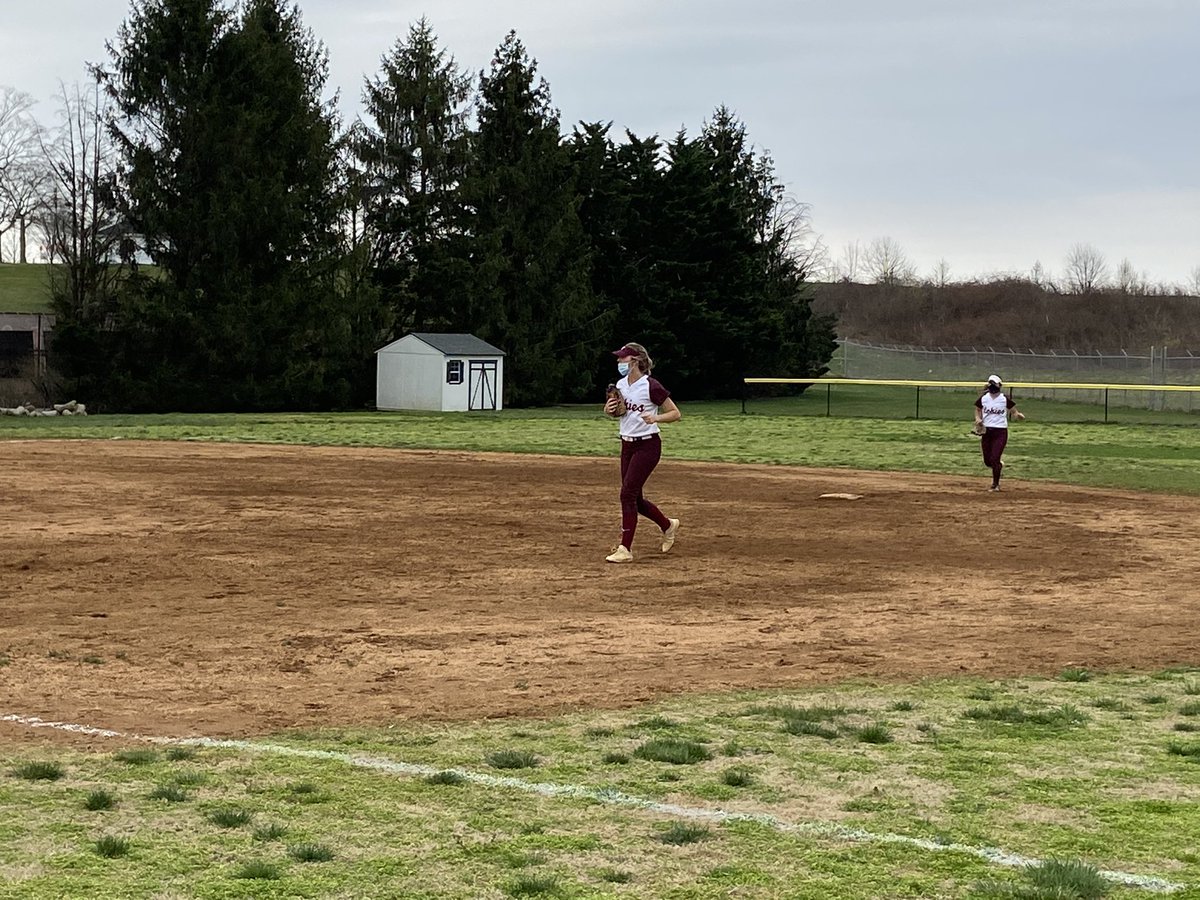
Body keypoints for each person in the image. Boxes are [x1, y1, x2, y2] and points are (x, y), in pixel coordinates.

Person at [602, 342, 682, 563]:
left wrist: (656, 417)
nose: (619, 362)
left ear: (635, 361)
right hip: (627, 445)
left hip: (647, 446)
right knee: (635, 499)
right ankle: (667, 525)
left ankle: (624, 549)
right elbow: (618, 411)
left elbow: (675, 413)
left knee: (626, 494)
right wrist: (608, 410)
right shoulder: (620, 384)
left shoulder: (651, 386)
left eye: (623, 359)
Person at [974, 374, 1025, 492]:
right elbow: (977, 409)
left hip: (1000, 431)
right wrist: (978, 419)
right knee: (988, 461)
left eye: (994, 384)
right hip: (987, 432)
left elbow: (1013, 411)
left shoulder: (1003, 399)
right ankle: (998, 466)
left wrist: (1018, 415)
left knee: (995, 458)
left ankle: (995, 484)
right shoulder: (984, 398)